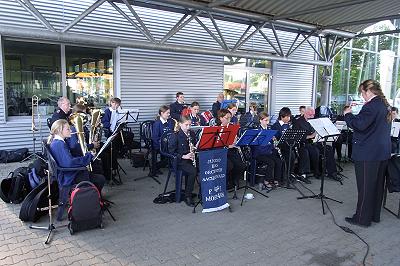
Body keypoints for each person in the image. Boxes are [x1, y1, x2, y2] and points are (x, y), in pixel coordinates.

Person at [343, 79, 391, 227]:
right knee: (377, 187)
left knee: (365, 187)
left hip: (368, 153)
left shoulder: (371, 106)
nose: (362, 96)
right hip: (381, 152)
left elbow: (359, 125)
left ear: (368, 91)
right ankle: (374, 216)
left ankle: (362, 219)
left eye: (362, 93)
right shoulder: (384, 104)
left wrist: (348, 114)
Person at [168, 116, 197, 207]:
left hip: (190, 158)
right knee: (193, 171)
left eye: (190, 125)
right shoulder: (175, 135)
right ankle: (187, 196)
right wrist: (184, 156)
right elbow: (171, 152)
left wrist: (194, 150)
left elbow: (195, 145)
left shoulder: (191, 133)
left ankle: (204, 193)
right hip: (179, 161)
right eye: (186, 125)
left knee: (203, 166)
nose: (188, 127)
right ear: (180, 124)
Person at [216, 109, 246, 190]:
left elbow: (236, 139)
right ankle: (226, 182)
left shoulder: (232, 127)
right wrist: (227, 146)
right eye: (227, 118)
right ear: (221, 118)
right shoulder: (217, 128)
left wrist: (236, 141)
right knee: (229, 166)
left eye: (230, 118)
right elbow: (216, 144)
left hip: (231, 151)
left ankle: (234, 180)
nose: (229, 120)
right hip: (221, 152)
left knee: (241, 165)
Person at [252, 112, 282, 189]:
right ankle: (266, 180)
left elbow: (271, 143)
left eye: (268, 120)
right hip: (260, 153)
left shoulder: (269, 129)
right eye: (265, 120)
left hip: (268, 151)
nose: (267, 122)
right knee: (271, 162)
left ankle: (276, 179)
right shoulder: (257, 130)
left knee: (278, 161)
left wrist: (273, 140)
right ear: (260, 120)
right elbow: (258, 146)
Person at [151, 105, 175, 176]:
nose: (169, 114)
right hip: (160, 144)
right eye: (167, 113)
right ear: (161, 113)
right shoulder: (157, 123)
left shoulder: (170, 122)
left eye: (169, 113)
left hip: (168, 143)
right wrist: (163, 145)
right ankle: (155, 167)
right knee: (172, 153)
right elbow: (155, 138)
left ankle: (173, 165)